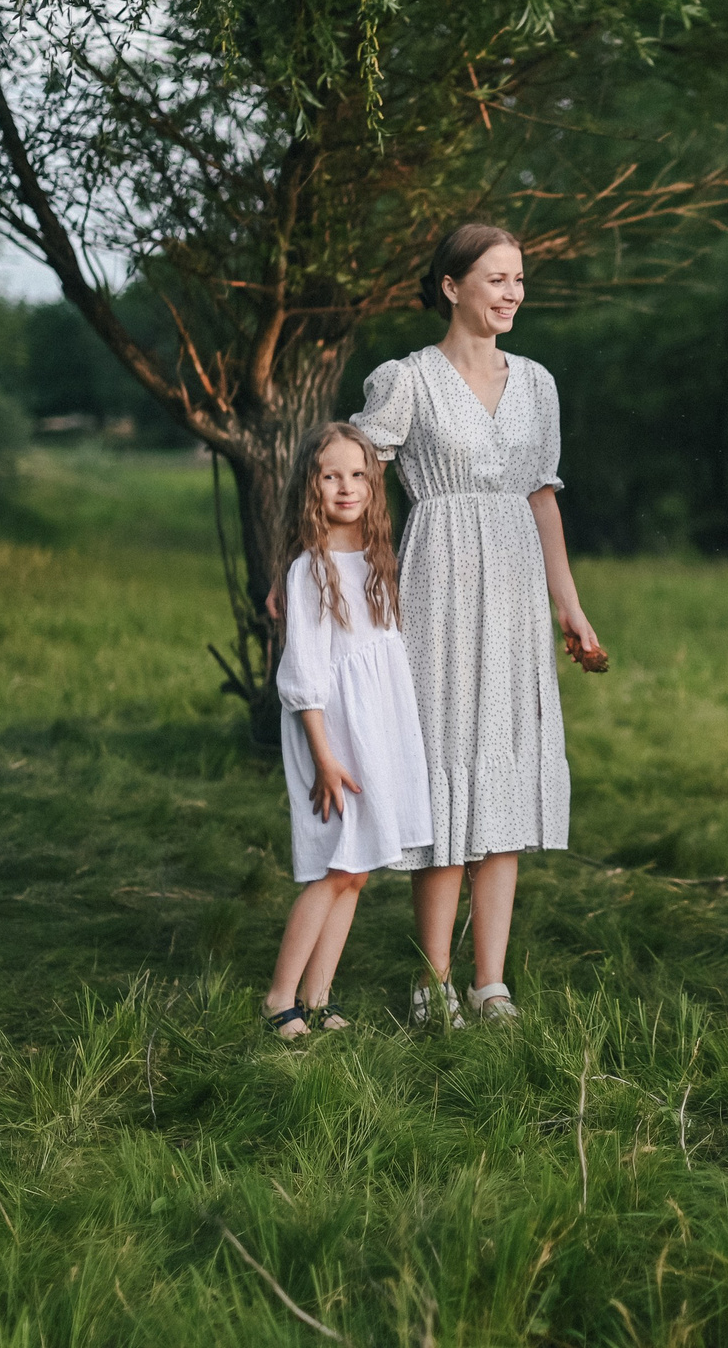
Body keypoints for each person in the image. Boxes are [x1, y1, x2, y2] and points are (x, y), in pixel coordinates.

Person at [351, 223, 602, 1025]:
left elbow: (542, 499)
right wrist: (346, 578)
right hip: (440, 583)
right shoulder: (408, 379)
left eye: (520, 280)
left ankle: (490, 981)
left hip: (519, 590)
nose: (512, 293)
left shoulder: (538, 383)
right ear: (452, 286)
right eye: (496, 279)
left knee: (506, 775)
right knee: (446, 769)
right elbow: (355, 478)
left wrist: (571, 607)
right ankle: (433, 980)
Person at [263, 423, 433, 1039]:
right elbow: (304, 672)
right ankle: (279, 996)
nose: (346, 486)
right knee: (333, 867)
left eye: (358, 474)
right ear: (312, 485)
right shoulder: (310, 571)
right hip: (329, 734)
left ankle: (318, 996)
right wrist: (325, 757)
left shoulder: (379, 560)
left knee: (357, 870)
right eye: (331, 475)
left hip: (374, 732)